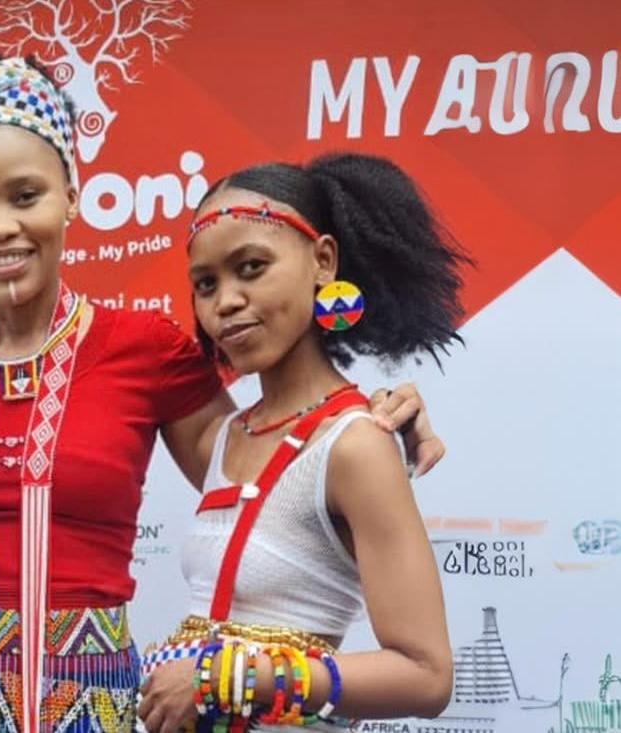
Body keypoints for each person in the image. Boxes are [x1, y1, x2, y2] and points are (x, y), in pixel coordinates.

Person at [0, 53, 445, 733]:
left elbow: (277, 467)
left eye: (25, 195)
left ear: (71, 192)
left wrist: (369, 418)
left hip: (84, 711)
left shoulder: (144, 349)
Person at [137, 154, 466, 732]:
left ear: (323, 261)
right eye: (206, 284)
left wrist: (221, 677)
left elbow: (426, 676)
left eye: (251, 267)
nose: (225, 301)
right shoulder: (222, 438)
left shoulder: (355, 445)